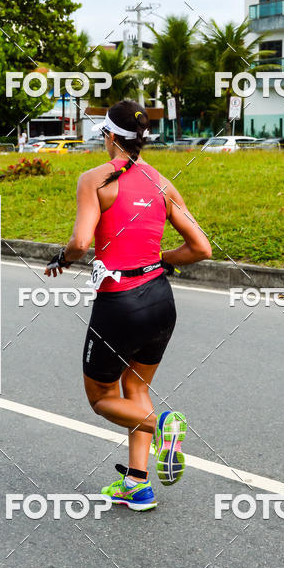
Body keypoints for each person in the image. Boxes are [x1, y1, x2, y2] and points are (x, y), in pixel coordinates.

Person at [44, 100, 211, 511]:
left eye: (104, 135)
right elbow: (201, 248)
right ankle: (137, 484)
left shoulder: (94, 180)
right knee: (135, 387)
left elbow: (81, 242)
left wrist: (61, 260)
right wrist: (162, 260)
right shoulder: (161, 182)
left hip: (120, 303)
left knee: (101, 398)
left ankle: (161, 427)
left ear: (111, 137)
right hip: (160, 300)